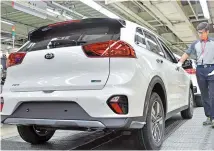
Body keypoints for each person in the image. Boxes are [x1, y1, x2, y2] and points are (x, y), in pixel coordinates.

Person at [177, 22, 214, 128]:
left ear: (207, 32)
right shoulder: (195, 44)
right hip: (200, 70)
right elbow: (187, 53)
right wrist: (179, 63)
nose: (200, 35)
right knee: (204, 95)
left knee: (212, 95)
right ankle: (208, 116)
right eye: (199, 33)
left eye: (202, 33)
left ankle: (213, 117)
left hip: (211, 69)